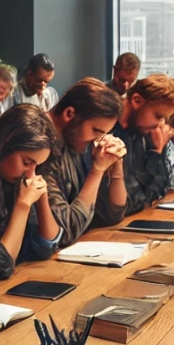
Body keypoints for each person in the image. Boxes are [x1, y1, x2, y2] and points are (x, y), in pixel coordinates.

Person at [0, 104, 63, 280]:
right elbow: (1, 266)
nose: (31, 173)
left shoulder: (14, 183)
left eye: (37, 166)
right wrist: (23, 205)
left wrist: (42, 199)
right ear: (5, 143)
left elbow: (46, 247)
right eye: (27, 162)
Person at [43, 77, 128, 243]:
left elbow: (110, 215)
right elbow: (67, 229)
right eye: (96, 130)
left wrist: (115, 163)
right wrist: (97, 171)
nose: (97, 139)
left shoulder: (73, 142)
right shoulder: (40, 147)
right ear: (69, 114)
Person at [114, 74, 174, 215]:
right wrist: (155, 154)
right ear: (137, 101)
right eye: (158, 116)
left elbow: (158, 191)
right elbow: (130, 202)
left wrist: (157, 151)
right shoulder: (108, 135)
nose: (159, 125)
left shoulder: (141, 133)